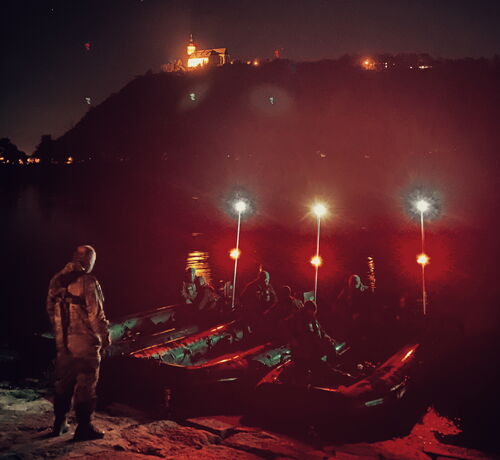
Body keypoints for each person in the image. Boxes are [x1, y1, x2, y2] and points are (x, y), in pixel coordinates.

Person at [46, 245, 110, 441]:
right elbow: (96, 316)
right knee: (86, 385)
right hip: (84, 344)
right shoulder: (88, 282)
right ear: (88, 260)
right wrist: (105, 337)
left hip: (63, 343)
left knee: (63, 383)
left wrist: (59, 332)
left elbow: (49, 309)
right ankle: (84, 427)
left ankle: (59, 423)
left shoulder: (56, 279)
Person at [291, 300, 338, 371]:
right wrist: (321, 342)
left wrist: (327, 337)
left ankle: (333, 363)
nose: (314, 313)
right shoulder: (302, 320)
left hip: (315, 342)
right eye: (313, 311)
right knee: (328, 346)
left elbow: (320, 330)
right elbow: (307, 335)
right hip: (308, 347)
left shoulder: (312, 318)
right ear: (308, 310)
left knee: (330, 344)